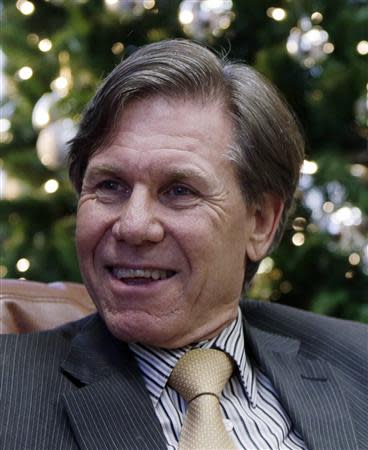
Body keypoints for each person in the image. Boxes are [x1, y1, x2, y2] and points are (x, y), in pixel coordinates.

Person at [1, 39, 367, 450]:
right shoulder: (8, 388)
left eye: (179, 191)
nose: (134, 225)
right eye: (109, 185)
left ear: (261, 222)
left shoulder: (359, 362)